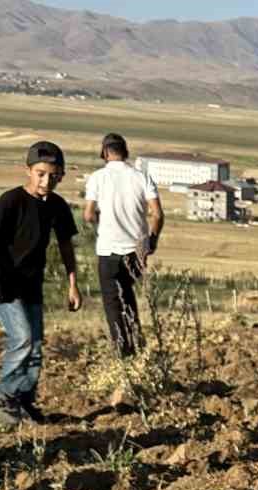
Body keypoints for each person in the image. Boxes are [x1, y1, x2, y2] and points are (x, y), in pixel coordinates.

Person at [0, 140, 82, 426]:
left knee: (35, 348)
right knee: (21, 339)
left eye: (54, 175)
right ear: (28, 171)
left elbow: (66, 246)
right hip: (4, 282)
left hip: (32, 283)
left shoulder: (57, 206)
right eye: (41, 173)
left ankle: (23, 400)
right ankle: (3, 395)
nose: (47, 180)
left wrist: (73, 284)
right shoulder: (12, 200)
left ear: (62, 175)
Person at [83, 132, 163, 357]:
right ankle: (136, 343)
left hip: (108, 250)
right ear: (124, 151)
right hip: (135, 252)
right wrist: (151, 241)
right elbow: (157, 215)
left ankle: (123, 352)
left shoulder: (97, 177)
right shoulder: (141, 177)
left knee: (112, 303)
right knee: (128, 296)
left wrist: (101, 222)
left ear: (105, 152)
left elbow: (88, 215)